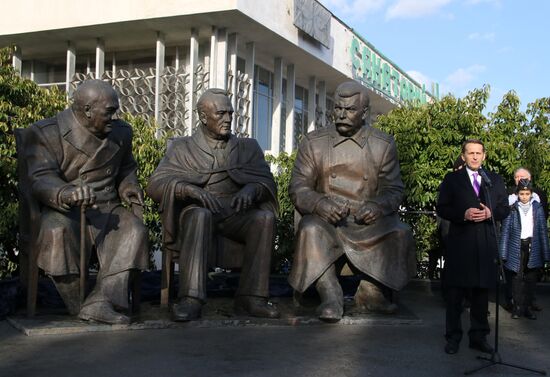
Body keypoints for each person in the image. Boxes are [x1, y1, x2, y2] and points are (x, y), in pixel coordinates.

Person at [288, 80, 416, 323]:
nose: (342, 115)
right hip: (327, 218)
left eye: (349, 110)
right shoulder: (314, 142)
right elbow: (298, 186)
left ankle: (371, 292)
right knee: (310, 228)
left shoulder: (382, 144)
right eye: (338, 108)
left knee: (400, 232)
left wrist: (378, 206)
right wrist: (318, 204)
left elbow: (394, 189)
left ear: (365, 113)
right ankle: (330, 294)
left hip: (365, 220)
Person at [147, 88, 280, 321]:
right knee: (199, 216)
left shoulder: (248, 147)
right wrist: (188, 189)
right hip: (196, 212)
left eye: (230, 113)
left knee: (264, 219)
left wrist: (252, 189)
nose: (228, 119)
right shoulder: (183, 148)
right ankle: (191, 299)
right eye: (221, 114)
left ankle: (252, 297)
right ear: (203, 116)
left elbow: (266, 181)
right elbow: (155, 184)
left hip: (235, 214)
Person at [25, 79, 149, 324]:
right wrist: (66, 192)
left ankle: (100, 302)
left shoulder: (122, 133)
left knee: (135, 230)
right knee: (56, 231)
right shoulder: (46, 132)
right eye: (109, 112)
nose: (115, 117)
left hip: (107, 206)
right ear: (87, 110)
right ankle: (79, 304)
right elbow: (40, 176)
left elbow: (126, 168)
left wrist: (129, 186)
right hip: (65, 208)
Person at [436, 139, 510, 355]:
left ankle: (478, 337)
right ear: (464, 155)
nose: (475, 156)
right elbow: (442, 208)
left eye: (479, 153)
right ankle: (453, 337)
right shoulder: (452, 179)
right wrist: (463, 214)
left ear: (484, 156)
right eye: (471, 153)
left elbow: (505, 208)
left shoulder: (494, 180)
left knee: (480, 295)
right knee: (455, 295)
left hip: (486, 245)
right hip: (460, 243)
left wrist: (491, 213)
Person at [500, 179, 550, 320]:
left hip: (532, 246)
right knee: (516, 278)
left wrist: (546, 253)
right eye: (521, 193)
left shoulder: (538, 209)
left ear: (531, 194)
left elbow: (542, 231)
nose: (524, 196)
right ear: (517, 194)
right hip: (516, 246)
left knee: (530, 278)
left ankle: (527, 307)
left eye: (527, 193)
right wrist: (502, 252)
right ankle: (517, 307)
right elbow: (505, 232)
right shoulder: (512, 210)